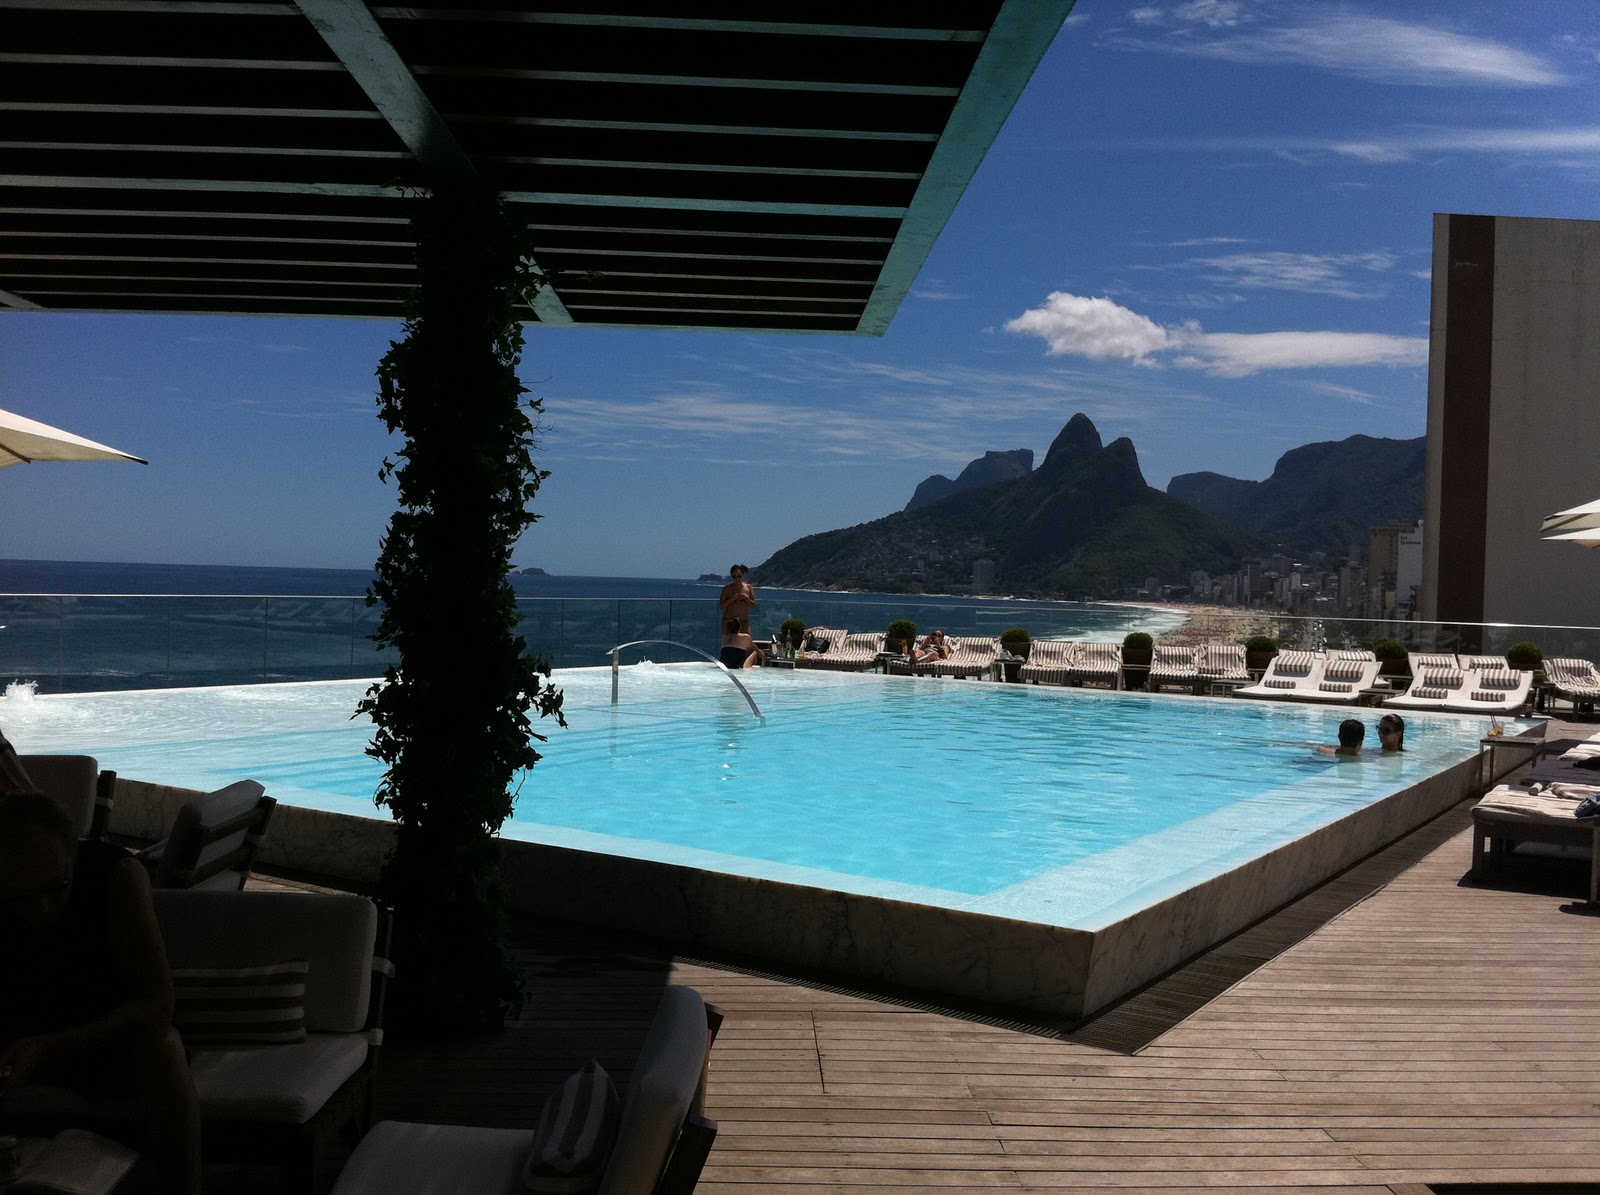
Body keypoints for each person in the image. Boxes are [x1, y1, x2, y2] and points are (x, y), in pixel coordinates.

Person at [0, 791, 201, 1195]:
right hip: (23, 1063)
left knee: (164, 1047)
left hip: (112, 1046)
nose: (41, 908)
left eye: (56, 887)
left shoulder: (114, 877)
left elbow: (158, 1003)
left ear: (73, 853)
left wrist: (47, 1048)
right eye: (20, 896)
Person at [718, 564, 757, 635]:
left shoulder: (748, 587)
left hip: (744, 621)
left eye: (739, 576)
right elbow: (722, 606)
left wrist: (746, 598)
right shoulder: (727, 588)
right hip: (729, 621)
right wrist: (731, 599)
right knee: (729, 641)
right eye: (734, 577)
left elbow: (754, 605)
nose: (737, 579)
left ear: (743, 575)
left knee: (746, 640)